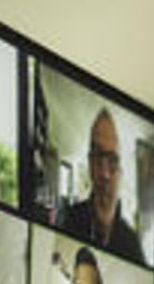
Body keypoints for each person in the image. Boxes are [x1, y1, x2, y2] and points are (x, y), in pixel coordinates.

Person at [56, 108, 145, 262]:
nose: (104, 173)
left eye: (112, 160)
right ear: (89, 163)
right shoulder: (68, 219)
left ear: (122, 171)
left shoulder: (132, 245)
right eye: (98, 157)